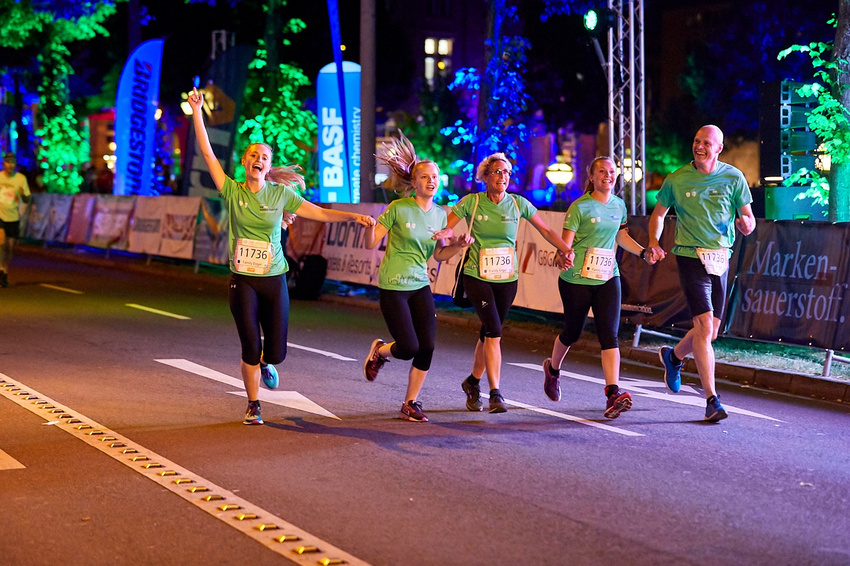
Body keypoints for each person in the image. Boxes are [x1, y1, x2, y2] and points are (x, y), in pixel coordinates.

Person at [188, 87, 375, 426]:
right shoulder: (232, 190)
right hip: (242, 279)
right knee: (248, 344)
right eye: (253, 155)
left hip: (274, 280)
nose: (258, 160)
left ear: (268, 166)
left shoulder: (280, 194)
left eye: (264, 157)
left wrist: (353, 216)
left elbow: (317, 213)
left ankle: (266, 361)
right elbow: (208, 153)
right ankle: (254, 403)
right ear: (244, 161)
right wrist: (198, 112)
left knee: (275, 352)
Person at [446, 153, 574, 413]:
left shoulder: (517, 204)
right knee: (494, 332)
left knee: (487, 334)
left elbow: (547, 230)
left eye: (505, 172)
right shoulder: (472, 202)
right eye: (496, 172)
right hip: (476, 276)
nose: (502, 176)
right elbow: (445, 228)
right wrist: (449, 237)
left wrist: (565, 250)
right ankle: (495, 393)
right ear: (485, 176)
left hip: (507, 279)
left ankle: (472, 382)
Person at [647, 124, 756, 422]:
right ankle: (712, 400)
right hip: (689, 256)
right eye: (696, 141)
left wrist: (747, 225)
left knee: (710, 332)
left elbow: (748, 217)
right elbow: (658, 214)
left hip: (720, 258)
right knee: (704, 327)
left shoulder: (733, 177)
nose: (699, 146)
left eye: (706, 143)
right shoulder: (678, 178)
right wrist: (654, 242)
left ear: (718, 148)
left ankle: (673, 356)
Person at [362, 133, 473, 422]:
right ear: (414, 182)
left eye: (435, 176)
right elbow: (371, 243)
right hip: (393, 286)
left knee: (427, 346)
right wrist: (369, 225)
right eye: (425, 177)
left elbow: (439, 256)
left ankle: (410, 402)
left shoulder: (439, 215)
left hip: (420, 285)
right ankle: (380, 351)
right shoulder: (399, 208)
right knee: (408, 347)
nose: (432, 181)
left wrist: (459, 245)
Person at [542, 156, 658, 419]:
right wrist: (565, 256)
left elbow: (621, 236)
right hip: (577, 279)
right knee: (572, 332)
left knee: (610, 334)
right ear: (592, 177)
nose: (608, 175)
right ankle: (553, 370)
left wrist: (643, 253)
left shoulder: (619, 205)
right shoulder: (580, 207)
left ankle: (612, 394)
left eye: (612, 172)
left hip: (608, 277)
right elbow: (566, 244)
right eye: (602, 171)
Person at [0, 152, 31, 288]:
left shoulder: (21, 179)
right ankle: (0, 269)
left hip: (13, 217)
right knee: (1, 243)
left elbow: (27, 198)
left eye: (12, 162)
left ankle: (5, 271)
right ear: (4, 163)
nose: (10, 165)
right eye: (8, 162)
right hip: (0, 216)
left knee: (10, 247)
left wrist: (23, 194)